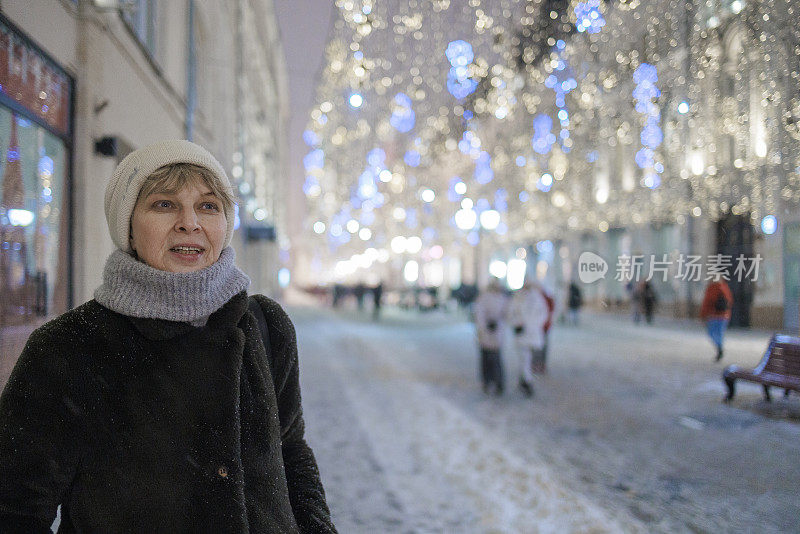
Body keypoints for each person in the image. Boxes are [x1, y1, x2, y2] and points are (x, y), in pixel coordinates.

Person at [0, 140, 336, 533]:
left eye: (208, 206)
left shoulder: (265, 324)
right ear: (128, 226)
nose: (189, 222)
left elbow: (291, 452)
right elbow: (15, 510)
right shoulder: (69, 347)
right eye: (164, 204)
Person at [508, 280, 549, 398]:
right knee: (525, 358)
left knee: (527, 358)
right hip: (522, 333)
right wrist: (517, 323)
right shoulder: (517, 298)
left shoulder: (537, 298)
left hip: (532, 334)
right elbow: (511, 314)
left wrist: (534, 324)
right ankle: (526, 380)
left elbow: (543, 314)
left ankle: (525, 380)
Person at [473, 279, 508, 395]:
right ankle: (487, 381)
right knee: (486, 360)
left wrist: (497, 323)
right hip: (485, 334)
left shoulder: (502, 298)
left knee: (496, 359)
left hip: (497, 333)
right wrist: (484, 326)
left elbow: (506, 314)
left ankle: (498, 383)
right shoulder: (484, 298)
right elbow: (479, 314)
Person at [700, 278, 733, 361]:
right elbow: (730, 301)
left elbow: (707, 302)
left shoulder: (711, 288)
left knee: (711, 333)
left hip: (713, 315)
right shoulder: (725, 287)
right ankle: (720, 347)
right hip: (724, 315)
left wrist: (703, 315)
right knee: (720, 333)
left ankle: (719, 347)